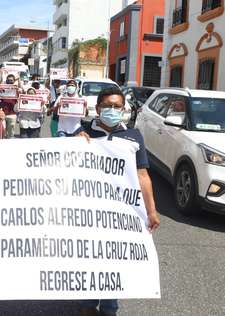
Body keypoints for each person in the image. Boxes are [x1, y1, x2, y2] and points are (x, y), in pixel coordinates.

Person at [75, 87, 161, 316]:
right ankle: (87, 305)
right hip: (89, 212)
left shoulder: (133, 136)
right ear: (98, 108)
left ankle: (109, 308)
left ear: (123, 109)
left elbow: (142, 175)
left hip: (120, 213)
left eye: (117, 107)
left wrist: (151, 211)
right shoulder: (82, 132)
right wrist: (75, 143)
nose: (112, 111)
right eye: (107, 106)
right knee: (90, 258)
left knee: (113, 259)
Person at [0, 74, 19, 138]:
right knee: (2, 131)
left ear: (14, 81)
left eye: (11, 80)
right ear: (6, 80)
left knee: (11, 133)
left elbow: (20, 101)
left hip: (12, 113)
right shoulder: (1, 89)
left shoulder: (17, 90)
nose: (10, 81)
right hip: (3, 113)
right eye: (8, 80)